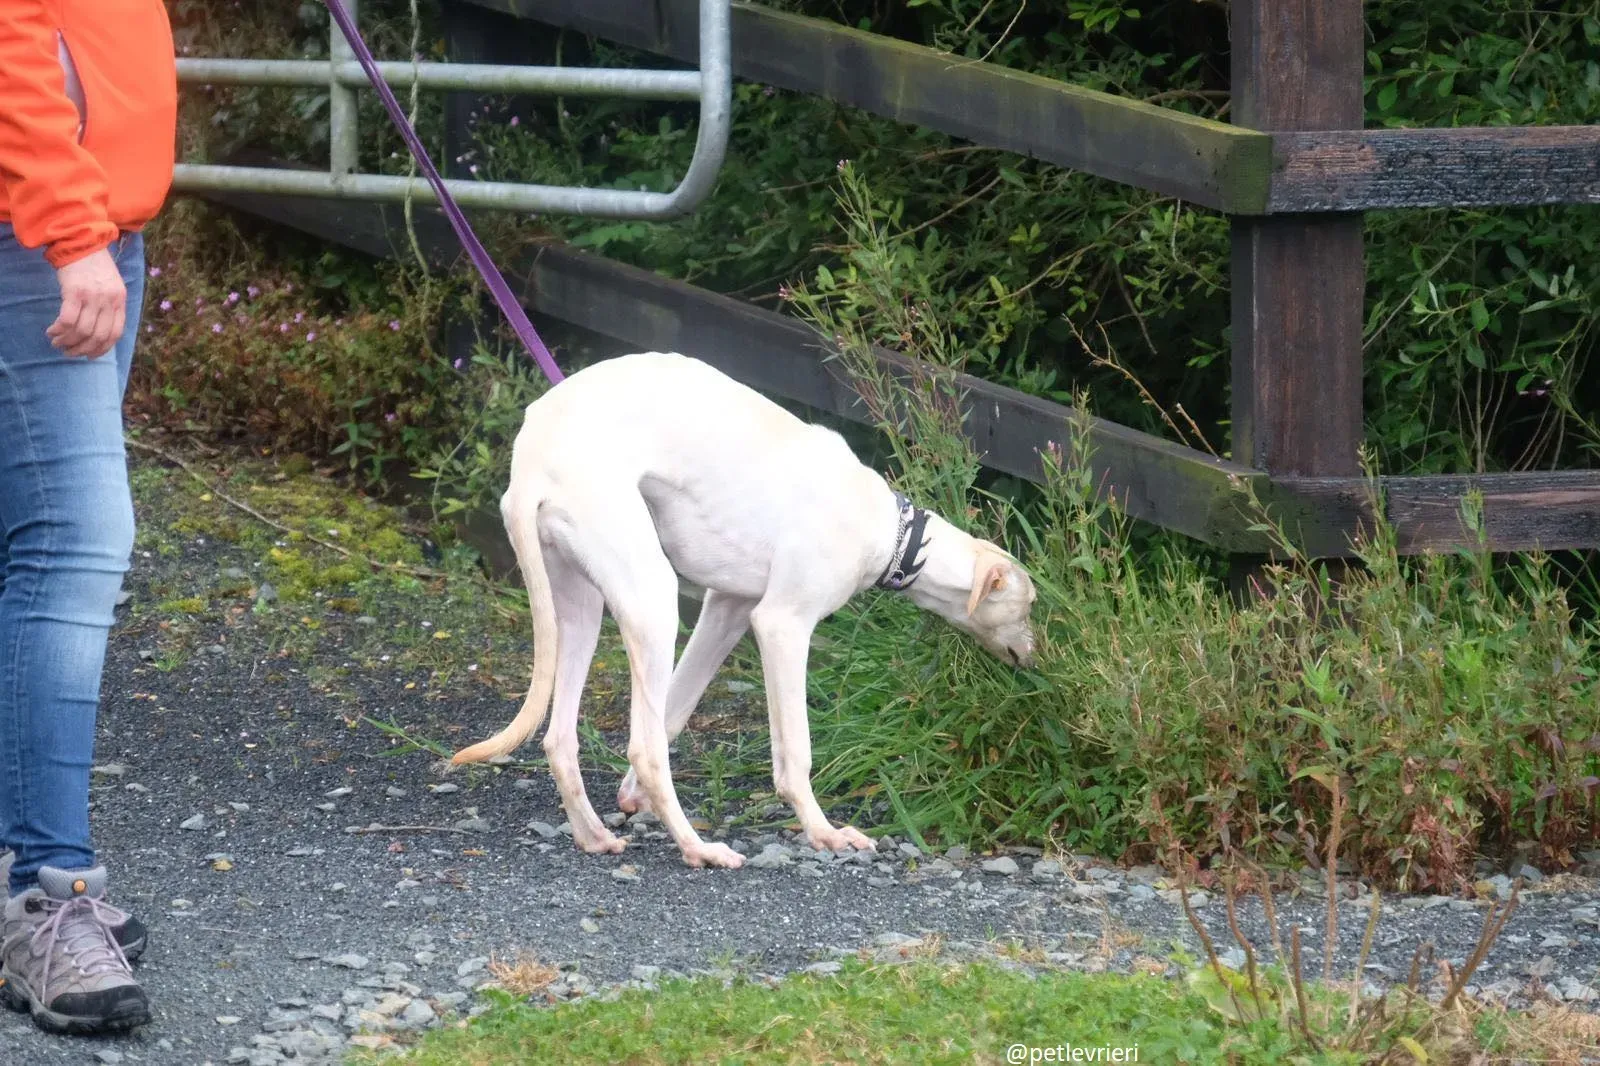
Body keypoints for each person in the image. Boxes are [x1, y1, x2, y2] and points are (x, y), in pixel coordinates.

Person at [0, 0, 177, 1035]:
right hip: (35, 221)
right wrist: (69, 230)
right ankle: (47, 891)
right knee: (74, 544)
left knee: (29, 550)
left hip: (84, 208)